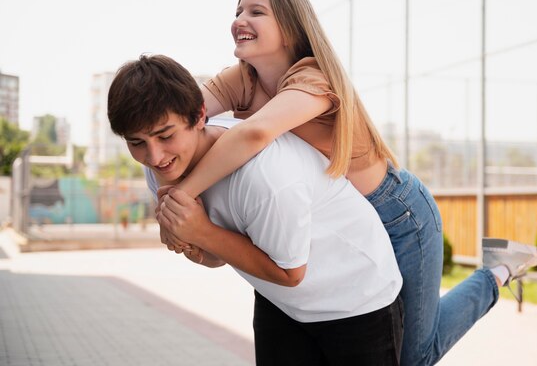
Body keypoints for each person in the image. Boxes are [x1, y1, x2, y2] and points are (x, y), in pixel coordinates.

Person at [159, 0, 537, 366]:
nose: (241, 19)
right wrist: (171, 194)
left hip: (398, 215)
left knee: (414, 357)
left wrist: (180, 197)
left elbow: (255, 133)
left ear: (291, 29)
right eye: (238, 11)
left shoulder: (315, 79)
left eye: (256, 12)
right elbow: (188, 120)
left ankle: (497, 272)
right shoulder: (242, 77)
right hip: (343, 228)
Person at [107, 54, 405, 365]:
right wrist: (190, 241)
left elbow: (290, 273)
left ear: (199, 117)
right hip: (282, 302)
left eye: (166, 136)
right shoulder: (162, 166)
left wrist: (201, 232)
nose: (154, 155)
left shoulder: (265, 178)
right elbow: (217, 258)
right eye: (136, 142)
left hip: (357, 300)